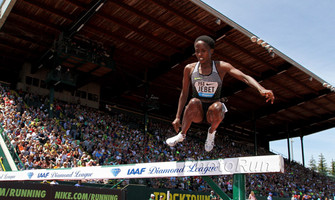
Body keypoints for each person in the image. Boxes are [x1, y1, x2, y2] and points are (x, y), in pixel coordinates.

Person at [166, 35, 275, 151]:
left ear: (211, 51)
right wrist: (178, 117)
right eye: (197, 51)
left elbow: (244, 77)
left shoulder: (220, 67)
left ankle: (211, 133)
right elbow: (184, 93)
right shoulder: (190, 68)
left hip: (212, 112)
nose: (200, 54)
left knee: (218, 106)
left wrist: (261, 88)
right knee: (193, 101)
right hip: (197, 111)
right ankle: (182, 135)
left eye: (203, 51)